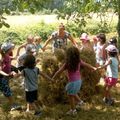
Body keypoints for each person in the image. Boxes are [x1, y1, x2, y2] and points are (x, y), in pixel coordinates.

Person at [52, 46, 96, 115]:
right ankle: (80, 102)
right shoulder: (79, 61)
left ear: (68, 55)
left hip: (72, 82)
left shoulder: (67, 63)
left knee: (70, 96)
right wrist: (93, 67)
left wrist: (53, 78)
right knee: (72, 92)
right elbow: (86, 64)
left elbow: (59, 72)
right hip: (79, 81)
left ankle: (73, 110)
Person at [0, 42, 21, 111]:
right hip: (2, 77)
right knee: (7, 92)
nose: (12, 49)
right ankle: (13, 105)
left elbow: (12, 58)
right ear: (8, 49)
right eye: (11, 48)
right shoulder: (1, 58)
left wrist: (18, 51)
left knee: (5, 90)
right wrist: (7, 74)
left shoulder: (7, 55)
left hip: (6, 77)